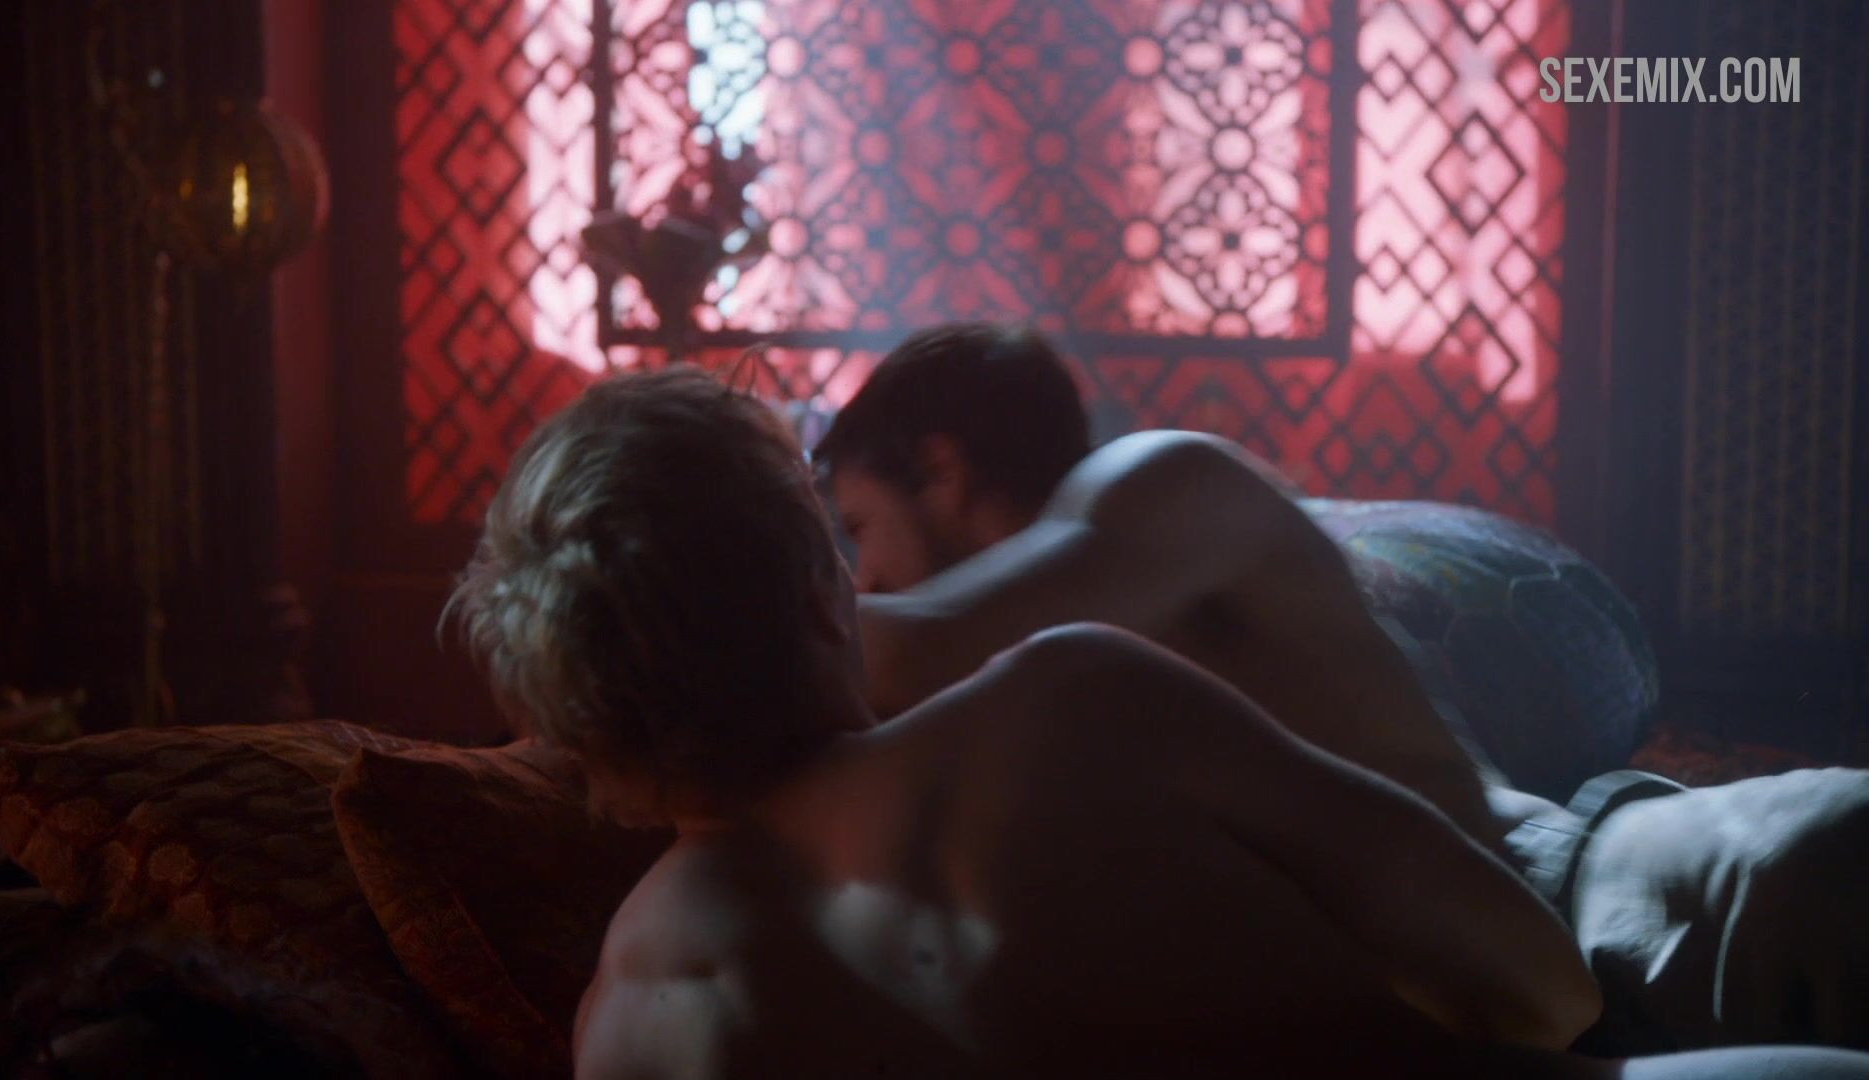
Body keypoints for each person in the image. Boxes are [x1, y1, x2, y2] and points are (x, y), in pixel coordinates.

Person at [451, 368, 1869, 1080]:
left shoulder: (630, 1022)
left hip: (1655, 880)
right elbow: (1537, 986)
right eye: (839, 542)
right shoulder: (1065, 696)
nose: (868, 576)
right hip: (1592, 941)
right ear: (820, 596)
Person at [814, 321, 1869, 1055]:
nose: (862, 584)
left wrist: (737, 537)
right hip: (1573, 990)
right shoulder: (1014, 716)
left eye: (856, 531)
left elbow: (908, 646)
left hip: (1668, 903)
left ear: (940, 468)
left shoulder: (1156, 486)